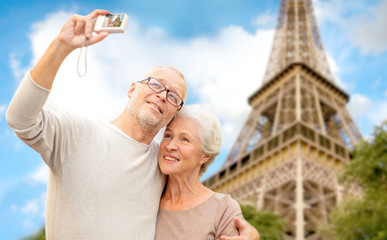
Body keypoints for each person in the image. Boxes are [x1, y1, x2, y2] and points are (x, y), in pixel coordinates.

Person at [6, 9, 259, 240]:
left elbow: (195, 206)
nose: (162, 94)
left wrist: (252, 234)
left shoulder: (162, 165)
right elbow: (19, 118)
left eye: (173, 96)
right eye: (156, 84)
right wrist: (61, 46)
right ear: (131, 89)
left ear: (173, 115)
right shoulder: (76, 132)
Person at [156, 105, 257, 240]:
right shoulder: (148, 194)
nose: (170, 146)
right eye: (168, 135)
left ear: (205, 156)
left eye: (185, 139)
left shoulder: (223, 209)